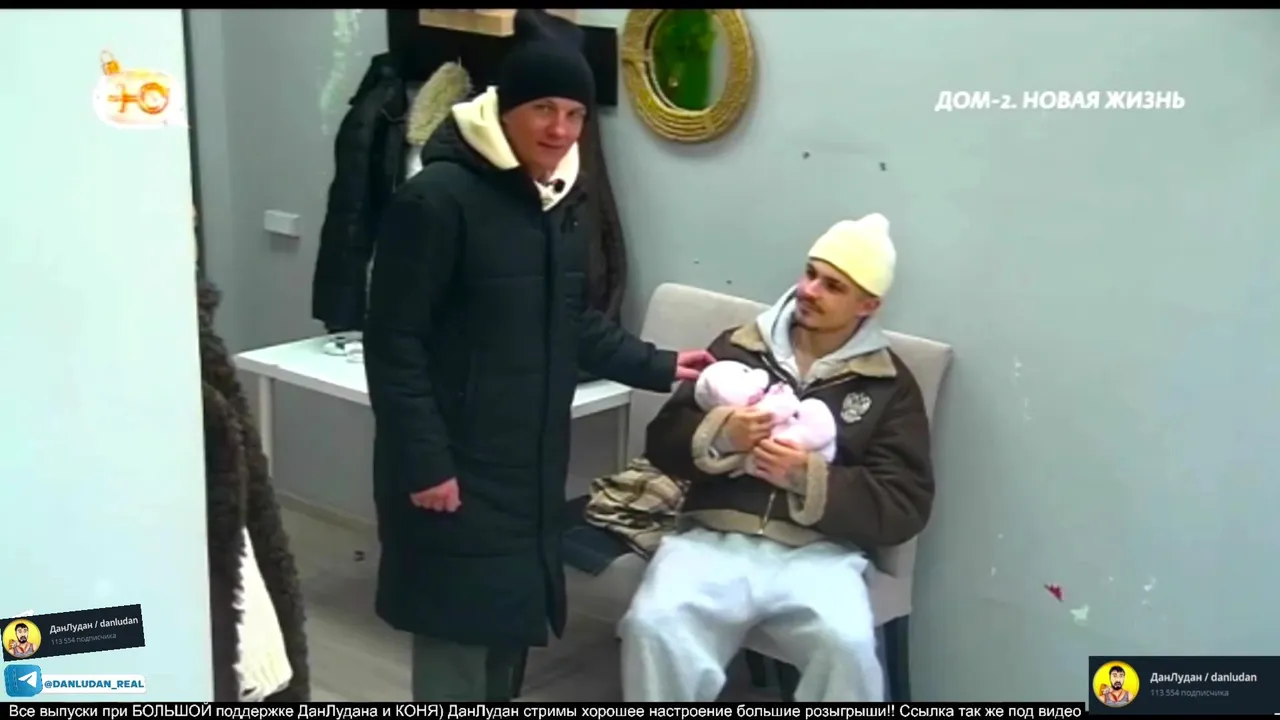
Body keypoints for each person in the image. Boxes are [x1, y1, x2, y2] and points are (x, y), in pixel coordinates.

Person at [362, 10, 712, 702]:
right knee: (457, 640)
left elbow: (570, 319)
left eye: (575, 113)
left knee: (506, 632)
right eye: (543, 109)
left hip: (525, 466)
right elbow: (393, 344)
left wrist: (660, 364)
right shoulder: (435, 201)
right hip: (455, 465)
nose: (560, 129)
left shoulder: (553, 201)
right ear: (505, 110)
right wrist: (427, 464)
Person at [620, 213, 935, 702]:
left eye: (833, 285)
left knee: (847, 647)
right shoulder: (740, 347)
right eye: (810, 273)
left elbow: (903, 504)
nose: (809, 290)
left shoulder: (890, 385)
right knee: (654, 624)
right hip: (712, 537)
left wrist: (807, 477)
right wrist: (722, 435)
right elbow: (661, 443)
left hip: (821, 553)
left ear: (868, 305)